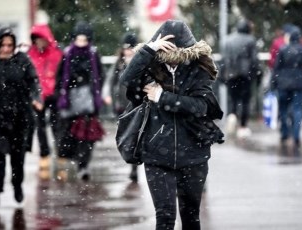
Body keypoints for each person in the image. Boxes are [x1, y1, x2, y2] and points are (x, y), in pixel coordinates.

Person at [120, 20, 224, 230]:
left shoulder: (197, 69)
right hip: (157, 154)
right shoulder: (150, 66)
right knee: (165, 217)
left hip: (193, 154)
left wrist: (163, 97)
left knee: (191, 217)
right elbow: (126, 79)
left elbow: (201, 106)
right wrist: (149, 49)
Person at [0, 27, 43, 212]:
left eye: (10, 45)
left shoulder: (22, 60)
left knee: (17, 158)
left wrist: (36, 98)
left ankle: (17, 184)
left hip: (19, 117)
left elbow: (33, 82)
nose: (6, 49)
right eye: (2, 45)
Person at [55, 21, 105, 181]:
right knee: (69, 134)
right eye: (79, 39)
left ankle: (83, 165)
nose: (81, 42)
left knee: (87, 135)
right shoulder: (67, 54)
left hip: (88, 101)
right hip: (69, 101)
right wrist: (62, 94)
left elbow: (100, 76)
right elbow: (60, 76)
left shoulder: (93, 53)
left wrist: (95, 94)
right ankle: (74, 159)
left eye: (84, 39)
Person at [103, 32, 140, 182]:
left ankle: (134, 167)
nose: (128, 51)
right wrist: (107, 95)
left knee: (135, 137)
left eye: (131, 48)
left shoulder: (141, 62)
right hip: (123, 107)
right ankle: (131, 160)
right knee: (125, 136)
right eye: (126, 48)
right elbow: (110, 81)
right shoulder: (119, 64)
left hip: (137, 105)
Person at [27, 24, 63, 179]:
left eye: (41, 39)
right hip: (38, 97)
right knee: (40, 127)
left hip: (53, 95)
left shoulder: (56, 53)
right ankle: (44, 154)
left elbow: (61, 74)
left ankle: (60, 152)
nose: (39, 43)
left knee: (57, 126)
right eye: (37, 40)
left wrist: (57, 91)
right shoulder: (30, 54)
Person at [271, 27, 302, 155]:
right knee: (298, 110)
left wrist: (274, 83)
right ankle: (296, 135)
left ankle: (284, 134)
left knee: (283, 110)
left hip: (283, 84)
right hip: (299, 84)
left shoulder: (283, 49)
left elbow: (276, 68)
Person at [221, 19, 262, 138]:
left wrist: (223, 74)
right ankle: (243, 127)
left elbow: (224, 59)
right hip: (245, 75)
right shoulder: (250, 40)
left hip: (231, 74)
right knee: (245, 101)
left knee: (233, 99)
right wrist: (257, 73)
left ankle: (232, 115)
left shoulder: (228, 40)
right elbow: (254, 60)